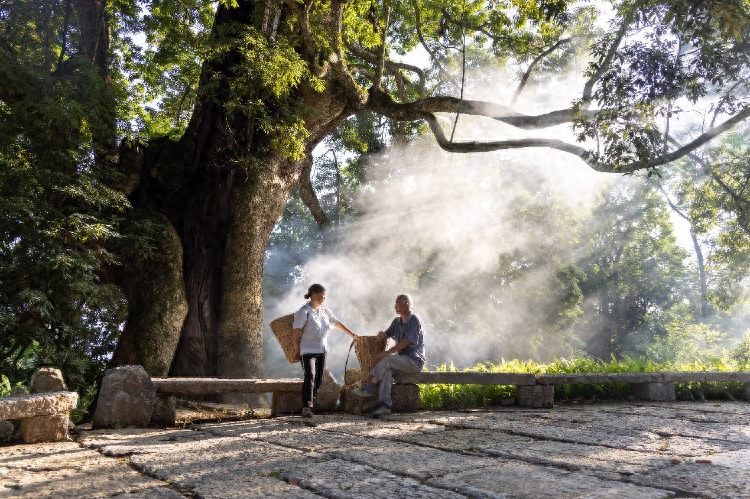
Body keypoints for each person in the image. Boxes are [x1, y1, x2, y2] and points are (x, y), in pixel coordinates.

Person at [351, 294, 426, 417]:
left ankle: (370, 387)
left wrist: (387, 352)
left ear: (406, 305)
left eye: (397, 303)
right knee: (386, 372)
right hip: (401, 361)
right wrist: (382, 334)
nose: (394, 306)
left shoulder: (414, 320)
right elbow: (387, 333)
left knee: (387, 359)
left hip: (413, 362)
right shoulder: (396, 321)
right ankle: (385, 406)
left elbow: (406, 341)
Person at [292, 283, 357, 419]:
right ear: (314, 294)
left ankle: (311, 404)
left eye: (324, 295)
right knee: (310, 375)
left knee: (318, 379)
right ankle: (306, 407)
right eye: (322, 295)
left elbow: (337, 323)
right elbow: (296, 332)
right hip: (307, 351)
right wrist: (296, 350)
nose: (324, 298)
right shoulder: (303, 312)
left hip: (322, 350)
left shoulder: (325, 311)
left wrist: (353, 335)